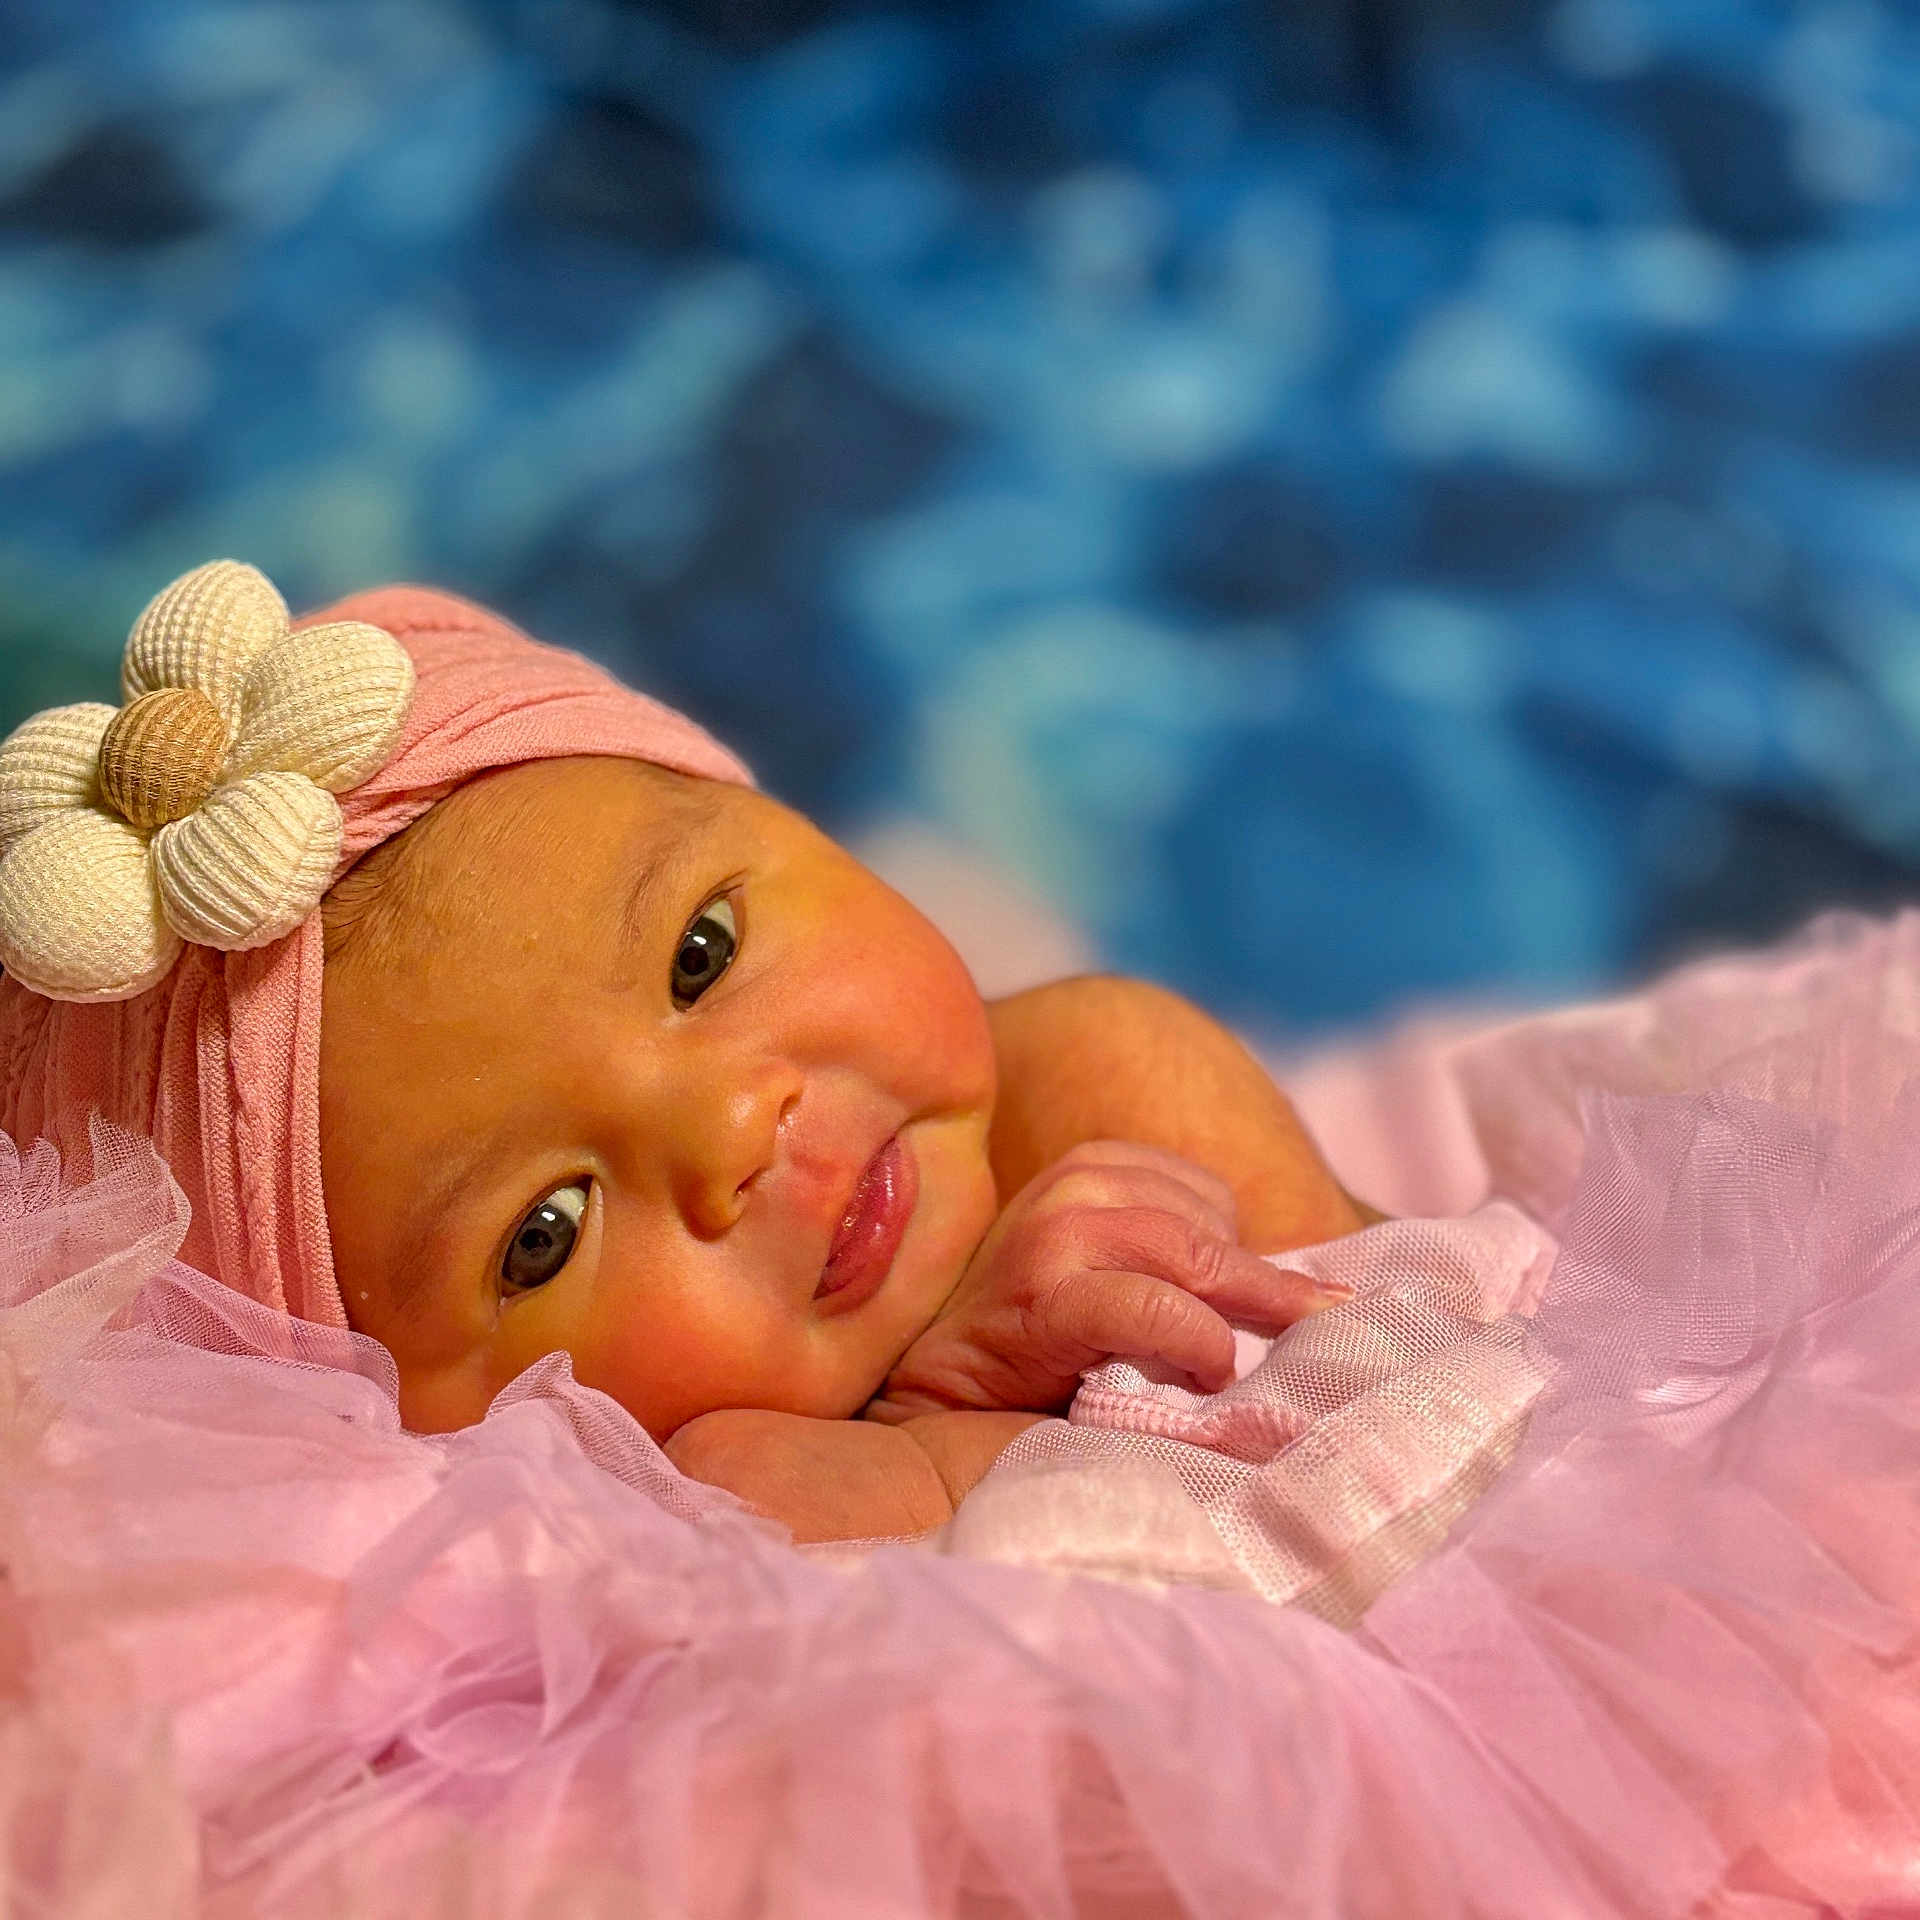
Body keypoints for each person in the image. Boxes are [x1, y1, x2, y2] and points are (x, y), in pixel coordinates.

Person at [0, 559, 1371, 1544]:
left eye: (700, 958)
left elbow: (1421, 1458)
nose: (733, 1132)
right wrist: (929, 1446)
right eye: (544, 1232)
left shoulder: (1109, 1095)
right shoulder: (703, 1513)